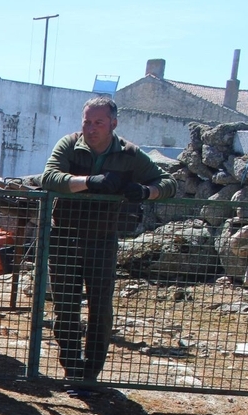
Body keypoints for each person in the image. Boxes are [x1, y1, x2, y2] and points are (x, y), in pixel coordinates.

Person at [40, 96, 176, 386]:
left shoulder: (129, 153)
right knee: (66, 306)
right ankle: (73, 370)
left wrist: (144, 191)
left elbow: (167, 183)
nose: (91, 128)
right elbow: (49, 177)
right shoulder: (69, 144)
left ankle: (90, 374)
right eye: (87, 122)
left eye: (98, 122)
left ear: (113, 124)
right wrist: (90, 182)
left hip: (102, 238)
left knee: (100, 307)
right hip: (65, 235)